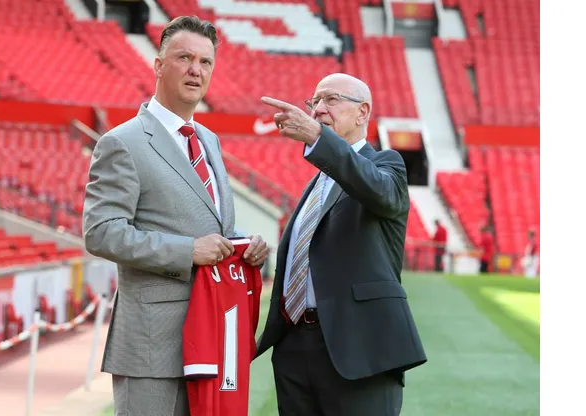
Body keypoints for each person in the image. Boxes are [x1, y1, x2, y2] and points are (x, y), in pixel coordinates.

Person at [82, 16, 269, 416]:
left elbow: (208, 222)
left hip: (213, 336)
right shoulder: (122, 142)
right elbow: (101, 232)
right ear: (158, 65)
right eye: (184, 58)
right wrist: (187, 251)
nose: (195, 70)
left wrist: (243, 242)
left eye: (205, 62)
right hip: (152, 346)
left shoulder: (209, 140)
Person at [255, 73, 427, 416]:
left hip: (358, 346)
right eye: (315, 101)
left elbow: (376, 190)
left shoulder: (386, 165)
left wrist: (318, 139)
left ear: (363, 113)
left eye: (331, 99)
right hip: (295, 346)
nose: (319, 108)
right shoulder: (318, 183)